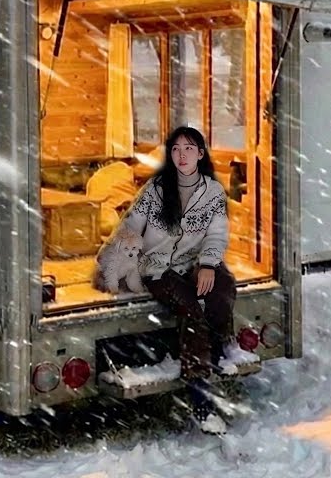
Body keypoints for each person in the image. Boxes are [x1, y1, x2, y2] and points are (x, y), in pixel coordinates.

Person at [111, 125, 235, 434]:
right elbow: (131, 225)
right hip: (158, 268)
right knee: (192, 310)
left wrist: (207, 264)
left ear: (201, 154)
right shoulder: (155, 190)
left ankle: (217, 351)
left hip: (194, 262)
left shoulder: (212, 192)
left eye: (189, 148)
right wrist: (113, 261)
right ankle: (201, 401)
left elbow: (217, 233)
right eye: (176, 149)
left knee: (223, 291)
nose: (182, 155)